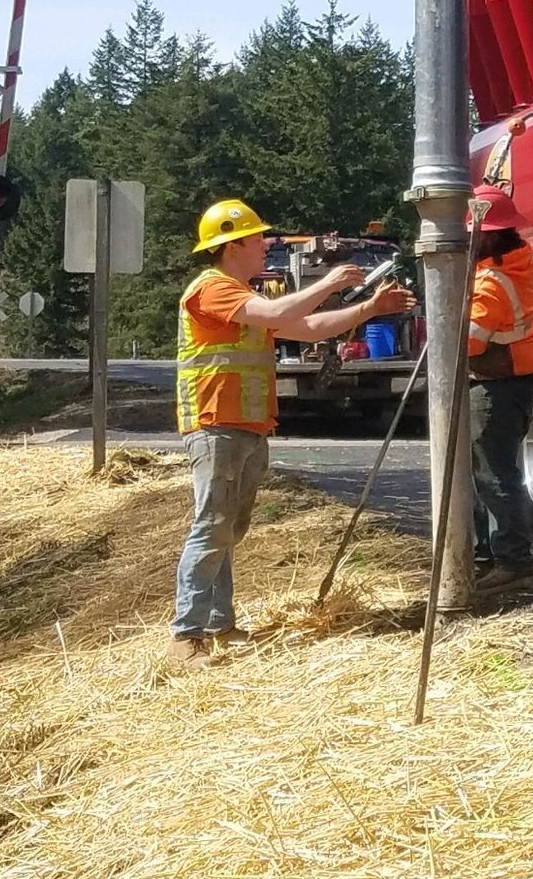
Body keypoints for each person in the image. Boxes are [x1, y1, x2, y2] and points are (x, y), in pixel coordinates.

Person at [170, 199, 416, 666]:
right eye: (258, 237)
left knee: (228, 528)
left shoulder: (244, 296)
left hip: (243, 427)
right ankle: (187, 634)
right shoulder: (213, 289)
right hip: (215, 425)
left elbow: (304, 327)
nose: (264, 244)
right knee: (212, 526)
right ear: (233, 244)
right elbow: (280, 313)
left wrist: (368, 307)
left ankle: (219, 624)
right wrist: (327, 282)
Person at [467, 184, 533, 595]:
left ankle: (512, 563)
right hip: (506, 379)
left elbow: (471, 343)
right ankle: (490, 557)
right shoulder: (507, 264)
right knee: (485, 473)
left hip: (499, 383)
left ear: (487, 233)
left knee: (494, 476)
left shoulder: (492, 282)